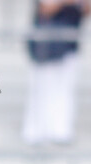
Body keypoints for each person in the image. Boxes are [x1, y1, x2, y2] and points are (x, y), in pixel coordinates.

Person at [23, 0, 89, 145]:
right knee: (41, 90)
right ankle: (37, 134)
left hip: (69, 43)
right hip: (46, 45)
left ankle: (60, 132)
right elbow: (46, 7)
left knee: (64, 90)